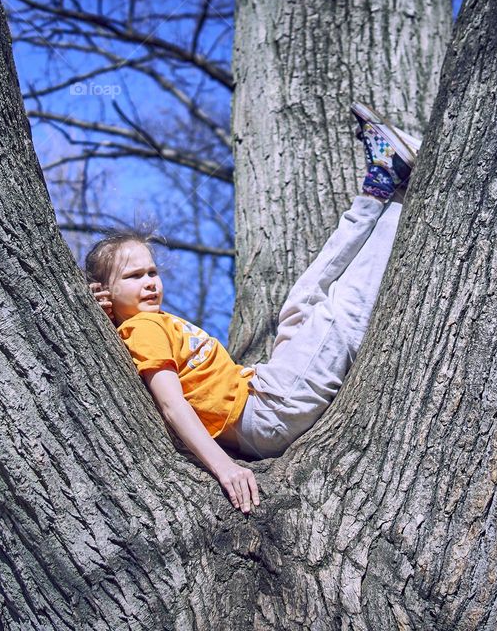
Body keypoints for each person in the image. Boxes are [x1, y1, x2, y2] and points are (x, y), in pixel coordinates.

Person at [85, 103, 421, 513]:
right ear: (105, 291)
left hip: (265, 388)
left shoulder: (151, 325)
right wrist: (225, 468)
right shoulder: (143, 330)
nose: (150, 281)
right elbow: (171, 404)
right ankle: (402, 203)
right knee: (338, 314)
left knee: (304, 298)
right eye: (133, 276)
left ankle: (378, 189)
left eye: (152, 271)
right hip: (266, 413)